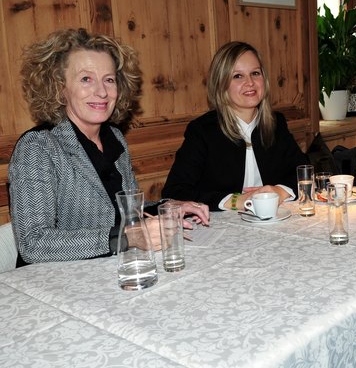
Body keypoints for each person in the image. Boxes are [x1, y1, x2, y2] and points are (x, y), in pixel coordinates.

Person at [8, 28, 209, 267]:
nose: (102, 91)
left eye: (109, 79)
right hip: (53, 283)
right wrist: (127, 237)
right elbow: (34, 244)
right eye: (86, 79)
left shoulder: (113, 137)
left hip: (107, 271)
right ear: (60, 88)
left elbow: (123, 212)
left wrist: (168, 207)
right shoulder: (38, 147)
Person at [162, 41, 308, 211]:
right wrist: (235, 201)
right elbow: (174, 193)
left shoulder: (276, 123)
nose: (250, 82)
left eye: (255, 73)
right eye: (238, 76)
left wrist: (279, 191)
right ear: (221, 84)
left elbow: (304, 172)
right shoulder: (202, 131)